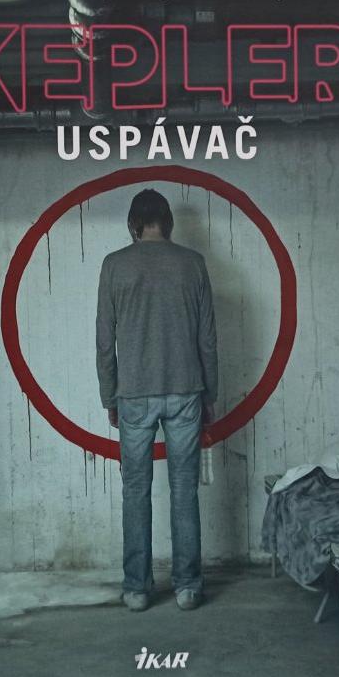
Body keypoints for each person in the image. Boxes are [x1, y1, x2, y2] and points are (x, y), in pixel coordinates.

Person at [96, 189, 218, 612]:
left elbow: (104, 341)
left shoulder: (114, 265)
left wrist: (109, 395)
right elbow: (208, 339)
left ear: (134, 224)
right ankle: (188, 587)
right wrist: (210, 393)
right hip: (186, 389)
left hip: (133, 393)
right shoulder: (193, 263)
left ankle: (136, 589)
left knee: (135, 491)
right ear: (168, 222)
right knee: (184, 489)